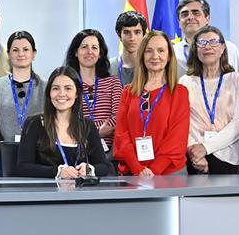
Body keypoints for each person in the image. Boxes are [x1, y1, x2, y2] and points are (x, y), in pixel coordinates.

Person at [113, 30, 190, 177]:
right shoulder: (128, 92)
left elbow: (177, 139)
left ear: (169, 57)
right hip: (133, 172)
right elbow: (121, 135)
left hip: (169, 174)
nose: (155, 56)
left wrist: (154, 171)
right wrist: (138, 169)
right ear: (142, 56)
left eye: (161, 50)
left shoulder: (179, 92)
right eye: (149, 51)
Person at [16, 66, 115, 179]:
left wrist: (88, 169)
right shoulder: (34, 123)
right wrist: (57, 172)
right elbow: (23, 167)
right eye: (56, 88)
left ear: (77, 93)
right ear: (49, 93)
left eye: (68, 88)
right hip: (45, 193)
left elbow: (104, 166)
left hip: (80, 193)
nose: (62, 94)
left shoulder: (87, 126)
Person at [179, 25, 239, 175]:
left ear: (223, 48)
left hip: (228, 157)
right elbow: (181, 123)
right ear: (195, 49)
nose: (207, 46)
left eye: (213, 42)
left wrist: (206, 147)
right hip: (195, 158)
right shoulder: (184, 82)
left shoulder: (238, 81)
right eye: (202, 43)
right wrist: (194, 150)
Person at [0, 31, 45, 171]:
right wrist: (3, 149)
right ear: (9, 54)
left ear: (34, 54)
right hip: (4, 156)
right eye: (15, 50)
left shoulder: (47, 87)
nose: (20, 54)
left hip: (39, 155)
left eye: (26, 49)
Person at [64, 28, 123, 154]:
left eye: (94, 47)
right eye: (84, 47)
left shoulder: (113, 83)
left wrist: (86, 131)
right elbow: (66, 122)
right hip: (76, 153)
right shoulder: (68, 86)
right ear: (76, 52)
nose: (89, 52)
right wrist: (97, 132)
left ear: (100, 53)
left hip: (109, 156)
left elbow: (118, 117)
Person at [174, 0, 239, 74]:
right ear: (179, 22)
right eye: (184, 14)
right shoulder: (172, 52)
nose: (190, 17)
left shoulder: (229, 48)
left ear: (207, 19)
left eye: (196, 13)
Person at [109, 11, 148, 87]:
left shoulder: (151, 66)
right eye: (126, 32)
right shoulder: (107, 68)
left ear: (144, 35)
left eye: (137, 32)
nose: (132, 38)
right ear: (119, 35)